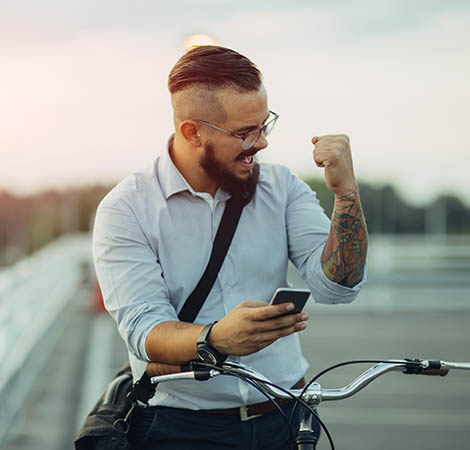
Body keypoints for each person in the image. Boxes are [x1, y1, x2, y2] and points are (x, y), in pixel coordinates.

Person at [92, 45, 368, 449]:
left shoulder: (282, 186)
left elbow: (337, 286)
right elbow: (143, 330)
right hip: (179, 429)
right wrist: (216, 337)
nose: (261, 143)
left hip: (285, 415)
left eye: (264, 125)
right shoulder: (126, 209)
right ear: (192, 132)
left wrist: (346, 195)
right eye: (244, 133)